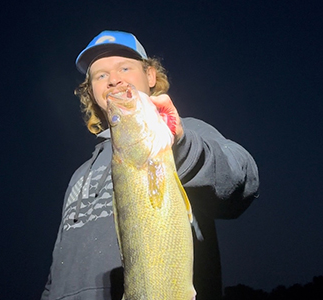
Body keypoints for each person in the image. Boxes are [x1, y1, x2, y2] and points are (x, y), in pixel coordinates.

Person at [40, 30, 259, 300]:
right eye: (100, 75)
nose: (114, 80)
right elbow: (57, 268)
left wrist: (181, 144)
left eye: (124, 67)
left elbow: (242, 183)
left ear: (151, 76)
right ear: (91, 91)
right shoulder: (79, 176)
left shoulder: (186, 134)